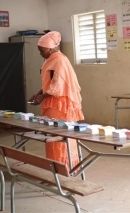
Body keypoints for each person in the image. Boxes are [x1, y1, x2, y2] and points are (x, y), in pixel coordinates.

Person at [28, 31, 84, 171]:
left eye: (42, 50)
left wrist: (42, 97)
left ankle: (67, 167)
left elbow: (59, 85)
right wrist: (39, 93)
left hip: (61, 105)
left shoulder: (59, 60)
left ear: (51, 48)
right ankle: (55, 167)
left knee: (62, 136)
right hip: (52, 102)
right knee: (51, 135)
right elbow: (49, 82)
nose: (40, 53)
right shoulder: (49, 59)